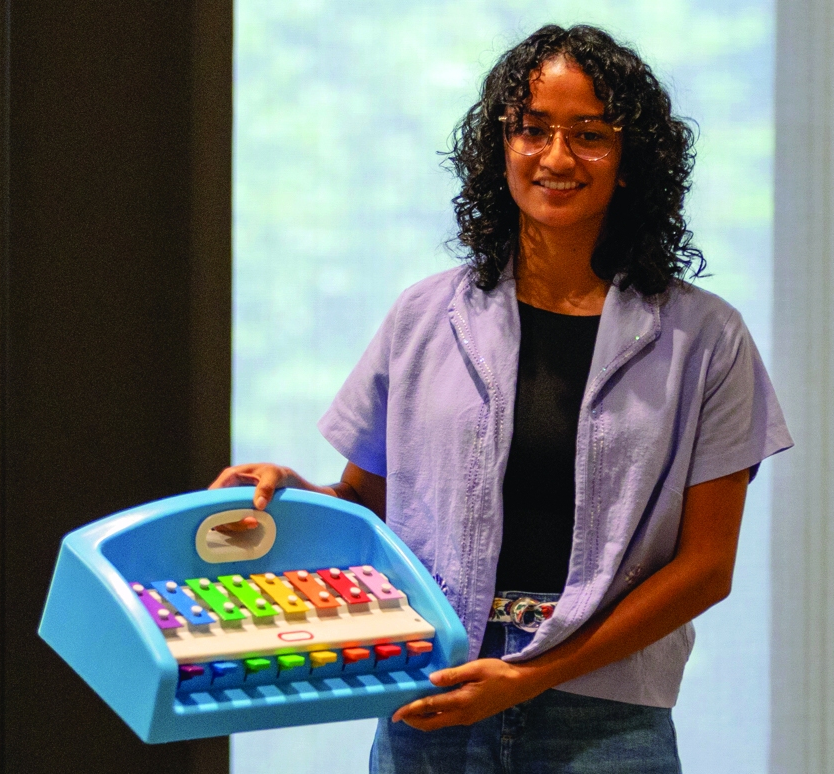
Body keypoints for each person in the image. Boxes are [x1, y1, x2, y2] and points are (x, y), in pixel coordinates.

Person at [211, 23, 791, 774]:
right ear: (500, 147)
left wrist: (533, 675)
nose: (557, 157)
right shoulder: (423, 316)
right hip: (433, 693)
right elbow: (367, 508)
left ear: (631, 161)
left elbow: (707, 567)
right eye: (532, 129)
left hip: (606, 722)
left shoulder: (705, 337)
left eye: (590, 134)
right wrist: (289, 495)